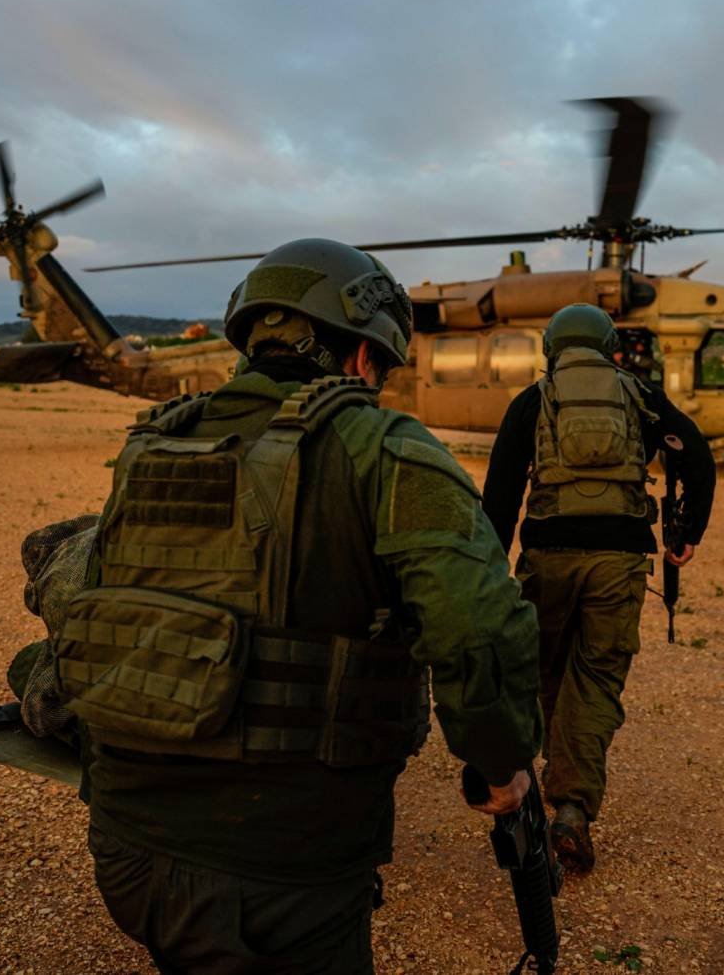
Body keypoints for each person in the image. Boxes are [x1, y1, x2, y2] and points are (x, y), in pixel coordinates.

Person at [66, 238, 543, 973]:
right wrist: (500, 765)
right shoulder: (381, 446)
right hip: (283, 873)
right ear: (361, 356)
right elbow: (478, 625)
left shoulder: (154, 445)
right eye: (382, 367)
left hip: (126, 847)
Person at [481, 303, 715, 874]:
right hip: (619, 560)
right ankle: (572, 809)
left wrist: (490, 566)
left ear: (551, 348)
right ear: (610, 345)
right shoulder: (640, 396)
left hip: (548, 558)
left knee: (544, 669)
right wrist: (687, 533)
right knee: (598, 676)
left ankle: (537, 785)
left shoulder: (533, 401)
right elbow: (699, 458)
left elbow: (501, 494)